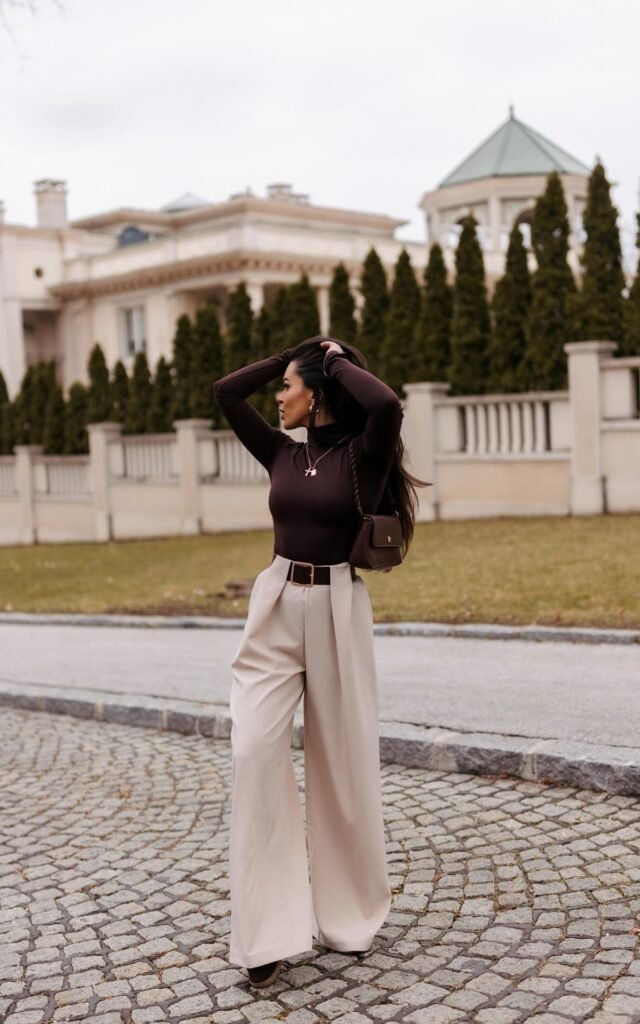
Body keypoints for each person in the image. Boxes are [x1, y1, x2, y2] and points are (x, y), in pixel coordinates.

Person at [212, 335, 422, 989]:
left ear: (319, 393)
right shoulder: (280, 450)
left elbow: (386, 405)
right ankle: (266, 932)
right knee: (253, 751)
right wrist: (286, 358)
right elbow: (226, 393)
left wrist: (331, 362)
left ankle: (348, 915)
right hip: (276, 603)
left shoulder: (364, 453)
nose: (279, 397)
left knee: (344, 766)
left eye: (288, 387)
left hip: (336, 608)